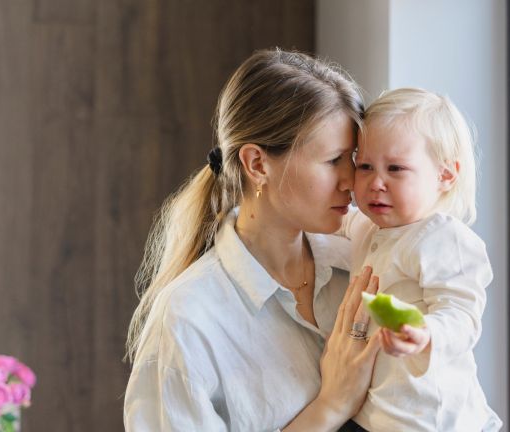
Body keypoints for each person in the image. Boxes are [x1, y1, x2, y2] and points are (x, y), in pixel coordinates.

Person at [124, 48, 385, 431]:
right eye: (333, 161)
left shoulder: (366, 263)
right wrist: (331, 405)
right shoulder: (187, 322)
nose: (351, 181)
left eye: (354, 159)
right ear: (258, 164)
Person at [339, 88, 502, 431]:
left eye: (395, 168)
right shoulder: (367, 227)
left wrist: (427, 333)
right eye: (364, 166)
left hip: (433, 419)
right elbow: (331, 222)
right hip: (378, 416)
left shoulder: (443, 238)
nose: (375, 183)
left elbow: (462, 315)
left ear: (446, 176)